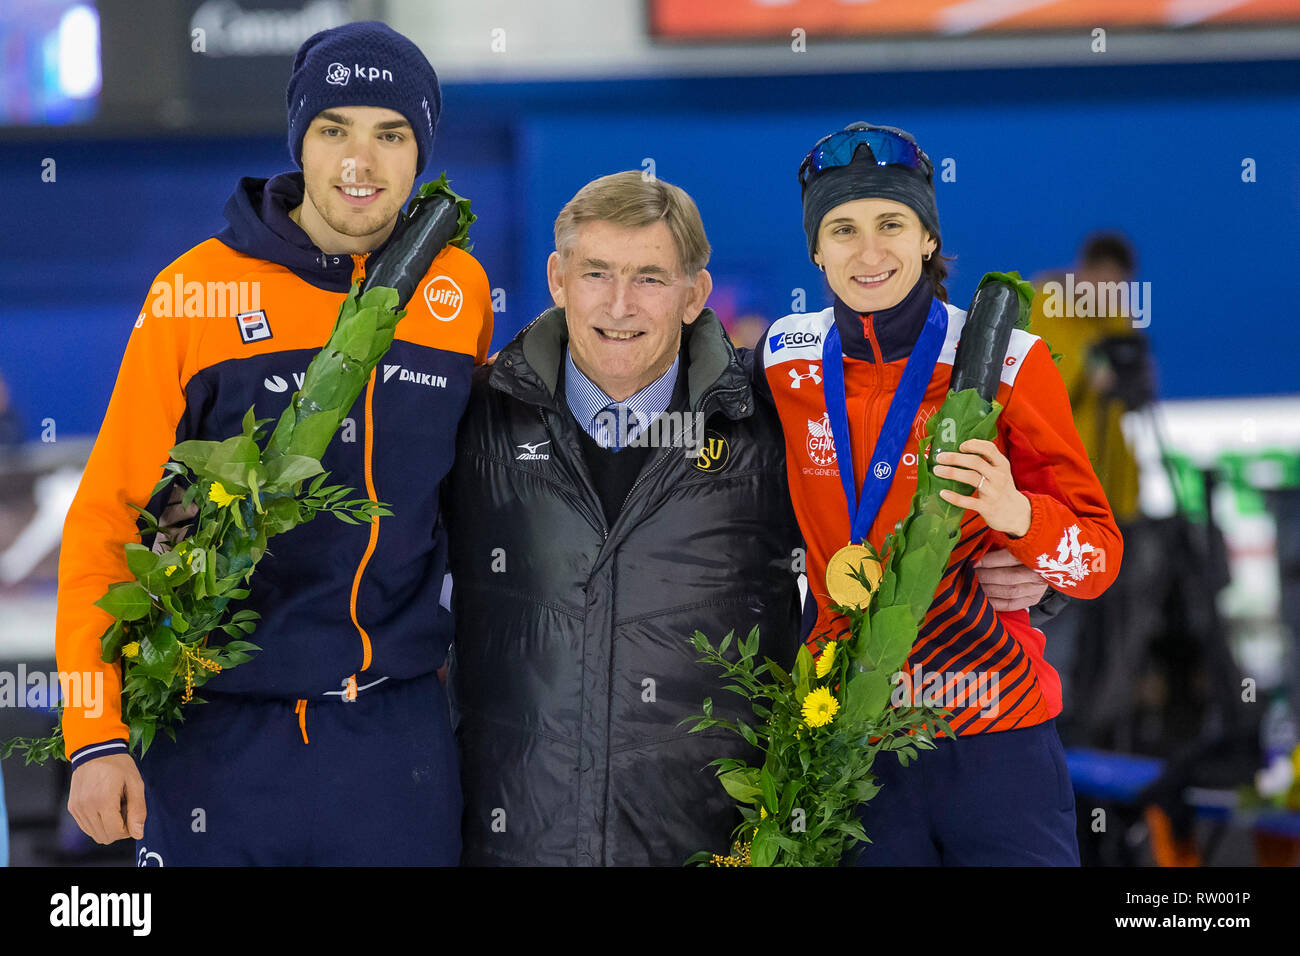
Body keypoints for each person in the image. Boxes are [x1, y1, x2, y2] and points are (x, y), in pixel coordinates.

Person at [55, 22, 492, 865]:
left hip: (392, 738)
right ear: (301, 141)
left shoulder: (458, 290)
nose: (360, 162)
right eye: (335, 130)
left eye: (391, 134)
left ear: (421, 150)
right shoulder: (194, 292)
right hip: (214, 733)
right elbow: (109, 520)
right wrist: (94, 732)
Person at [757, 122, 1124, 864]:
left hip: (993, 736)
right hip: (849, 741)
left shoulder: (1009, 362)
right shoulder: (781, 362)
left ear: (928, 239)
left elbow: (1098, 559)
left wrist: (1017, 516)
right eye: (843, 229)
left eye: (892, 224)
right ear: (815, 251)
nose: (869, 252)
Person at [443, 171, 805, 865]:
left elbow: (874, 560)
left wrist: (1030, 571)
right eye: (596, 273)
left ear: (695, 295)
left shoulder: (768, 431)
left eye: (649, 278)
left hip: (708, 848)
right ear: (557, 278)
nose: (618, 304)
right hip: (518, 844)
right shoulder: (474, 419)